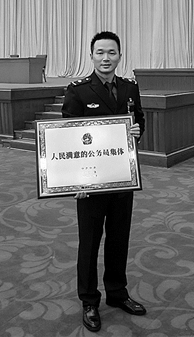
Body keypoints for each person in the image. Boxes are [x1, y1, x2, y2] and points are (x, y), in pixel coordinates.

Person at [62, 31, 146, 332]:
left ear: (120, 56)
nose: (106, 58)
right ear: (91, 56)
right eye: (100, 52)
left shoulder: (129, 88)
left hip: (122, 178)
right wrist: (76, 182)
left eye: (111, 52)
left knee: (119, 238)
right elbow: (68, 137)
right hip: (90, 184)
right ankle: (89, 300)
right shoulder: (78, 91)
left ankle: (117, 293)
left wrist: (137, 131)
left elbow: (139, 119)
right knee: (89, 243)